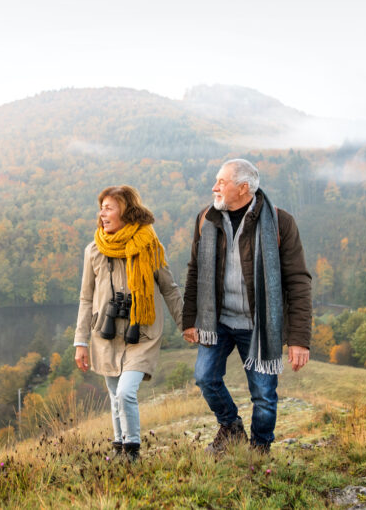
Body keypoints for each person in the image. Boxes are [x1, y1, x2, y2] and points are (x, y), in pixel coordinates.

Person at [182, 159, 312, 454]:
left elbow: (298, 282)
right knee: (205, 377)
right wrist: (190, 319)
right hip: (218, 320)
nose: (214, 187)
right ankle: (231, 427)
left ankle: (260, 449)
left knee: (264, 395)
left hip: (259, 324)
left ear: (243, 189)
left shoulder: (280, 223)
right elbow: (194, 271)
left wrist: (299, 340)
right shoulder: (206, 218)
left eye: (222, 182)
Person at [74, 185, 183, 461]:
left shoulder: (149, 247)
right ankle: (119, 447)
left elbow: (169, 288)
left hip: (142, 332)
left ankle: (132, 451)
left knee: (125, 393)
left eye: (109, 208)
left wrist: (186, 324)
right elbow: (86, 298)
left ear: (126, 212)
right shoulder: (94, 251)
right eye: (101, 208)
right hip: (106, 333)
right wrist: (80, 341)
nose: (102, 214)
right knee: (114, 395)